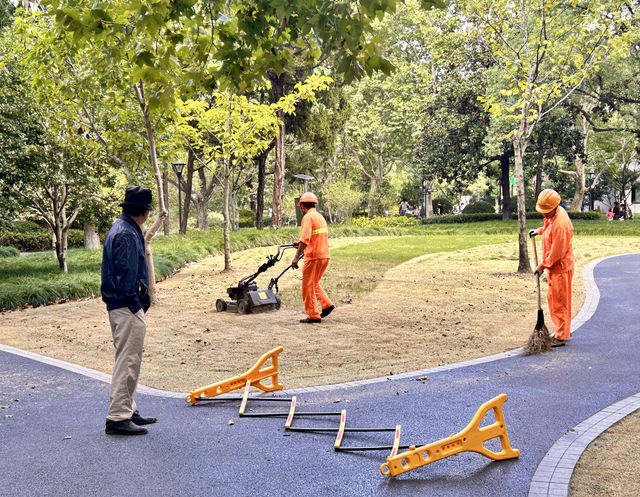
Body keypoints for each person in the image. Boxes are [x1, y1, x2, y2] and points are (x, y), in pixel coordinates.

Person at [101, 186, 157, 435]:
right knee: (128, 361)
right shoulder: (126, 234)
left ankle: (127, 410)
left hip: (121, 304)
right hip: (125, 306)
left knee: (128, 359)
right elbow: (126, 276)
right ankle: (118, 417)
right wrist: (137, 304)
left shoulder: (123, 228)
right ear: (145, 212)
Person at [528, 189, 574, 347]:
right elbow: (548, 228)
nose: (544, 215)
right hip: (556, 268)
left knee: (559, 302)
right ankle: (564, 328)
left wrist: (541, 266)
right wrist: (539, 231)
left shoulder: (561, 225)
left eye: (546, 212)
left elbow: (556, 253)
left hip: (560, 267)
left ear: (555, 207)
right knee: (555, 299)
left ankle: (561, 336)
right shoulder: (554, 212)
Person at [291, 192, 334, 323]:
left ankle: (313, 315)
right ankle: (327, 305)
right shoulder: (319, 217)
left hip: (313, 257)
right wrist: (299, 244)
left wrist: (296, 257)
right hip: (324, 256)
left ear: (302, 206)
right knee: (314, 283)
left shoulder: (307, 217)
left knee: (307, 286)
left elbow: (305, 239)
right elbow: (313, 237)